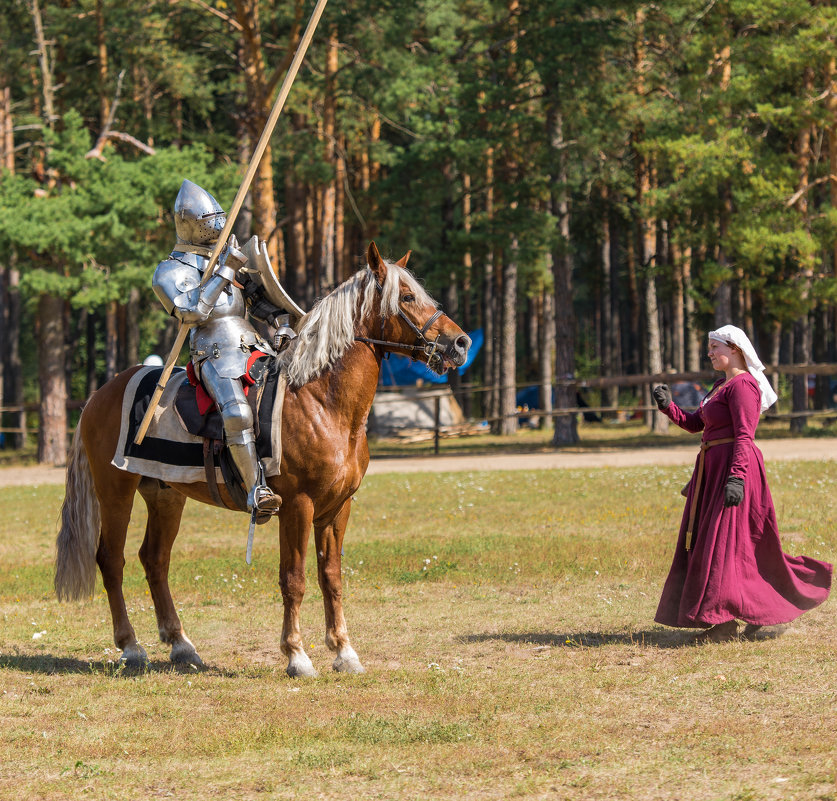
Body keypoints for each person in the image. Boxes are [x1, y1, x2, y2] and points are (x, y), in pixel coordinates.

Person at [651, 324, 832, 642]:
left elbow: (745, 435)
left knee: (723, 545)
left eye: (714, 347)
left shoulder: (744, 386)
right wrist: (669, 407)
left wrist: (736, 477)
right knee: (725, 544)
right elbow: (698, 424)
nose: (709, 353)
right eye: (709, 348)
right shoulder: (720, 387)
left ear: (734, 348)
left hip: (736, 470)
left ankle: (722, 622)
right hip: (714, 469)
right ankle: (750, 608)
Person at [152, 179, 287, 515]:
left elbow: (258, 299)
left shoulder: (226, 255)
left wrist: (281, 323)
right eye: (209, 220)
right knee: (237, 412)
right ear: (189, 225)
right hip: (212, 352)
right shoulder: (169, 271)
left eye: (219, 218)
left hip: (255, 345)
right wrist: (226, 269)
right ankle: (256, 490)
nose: (217, 226)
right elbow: (193, 311)